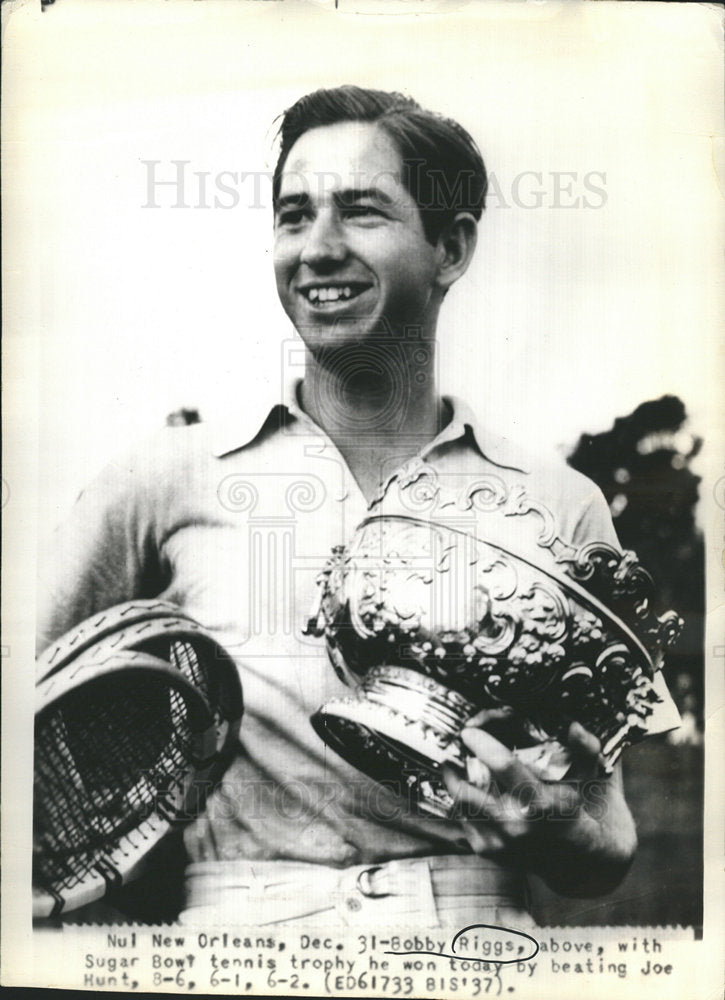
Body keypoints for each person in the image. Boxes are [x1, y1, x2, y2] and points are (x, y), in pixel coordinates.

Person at [37, 85, 677, 928]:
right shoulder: (165, 478)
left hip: (473, 939)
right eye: (294, 215)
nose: (317, 248)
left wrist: (550, 829)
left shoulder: (554, 502)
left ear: (449, 247)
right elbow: (34, 705)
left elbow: (607, 841)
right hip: (230, 944)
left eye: (361, 212)